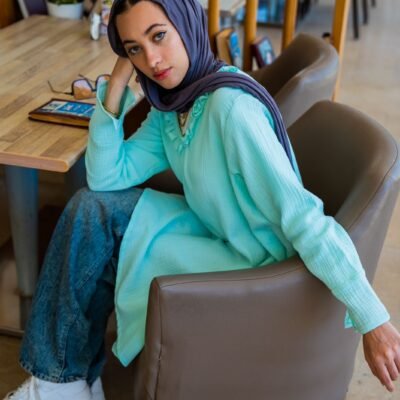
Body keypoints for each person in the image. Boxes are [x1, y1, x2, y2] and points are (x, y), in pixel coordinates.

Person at [5, 0, 400, 398]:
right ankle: (64, 381)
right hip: (213, 232)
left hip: (252, 261)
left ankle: (58, 384)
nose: (152, 60)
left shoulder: (232, 110)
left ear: (187, 24)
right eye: (134, 48)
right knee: (91, 209)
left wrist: (373, 320)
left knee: (97, 231)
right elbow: (106, 177)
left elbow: (304, 217)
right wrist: (118, 83)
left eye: (159, 36)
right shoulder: (175, 104)